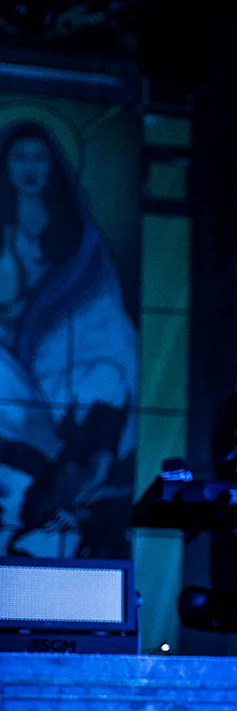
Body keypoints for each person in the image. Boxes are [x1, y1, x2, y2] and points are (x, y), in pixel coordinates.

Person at [0, 121, 136, 557]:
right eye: (19, 157)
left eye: (38, 158)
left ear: (53, 166)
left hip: (57, 350)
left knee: (104, 378)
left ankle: (76, 483)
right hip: (8, 354)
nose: (29, 169)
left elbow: (101, 308)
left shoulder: (79, 239)